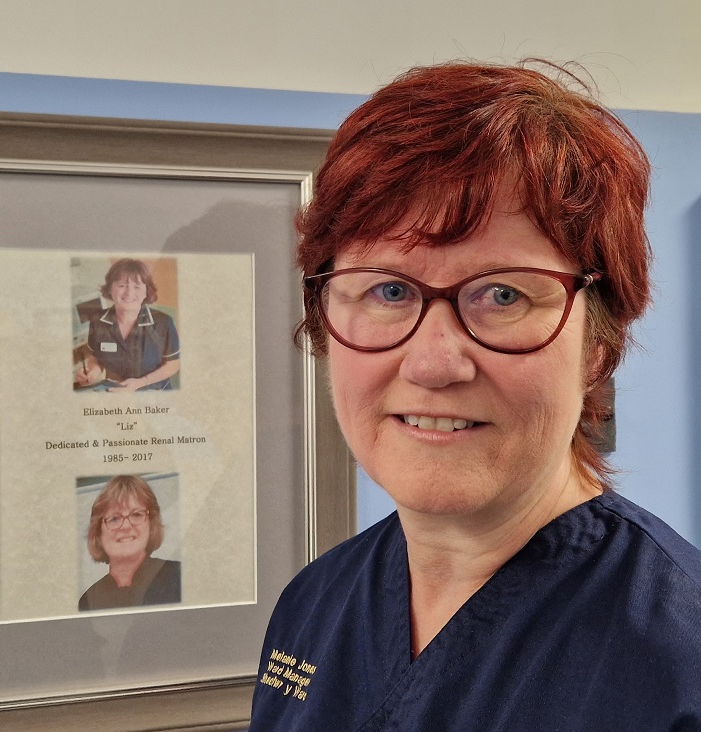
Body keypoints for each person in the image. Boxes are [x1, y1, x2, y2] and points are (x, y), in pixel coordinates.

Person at [250, 62, 701, 730]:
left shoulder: (678, 661)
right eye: (389, 290)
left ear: (597, 348)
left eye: (503, 294)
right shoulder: (313, 607)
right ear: (323, 322)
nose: (434, 363)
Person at [75, 258, 180, 391]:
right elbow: (96, 358)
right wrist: (92, 373)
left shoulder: (163, 323)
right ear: (110, 289)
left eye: (137, 286)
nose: (129, 293)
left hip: (154, 394)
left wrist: (142, 382)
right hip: (114, 391)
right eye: (122, 285)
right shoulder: (97, 320)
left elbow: (173, 364)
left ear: (146, 291)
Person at [79, 475, 181, 610]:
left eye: (137, 515)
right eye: (114, 519)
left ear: (151, 525)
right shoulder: (87, 601)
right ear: (98, 533)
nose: (126, 526)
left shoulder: (179, 578)